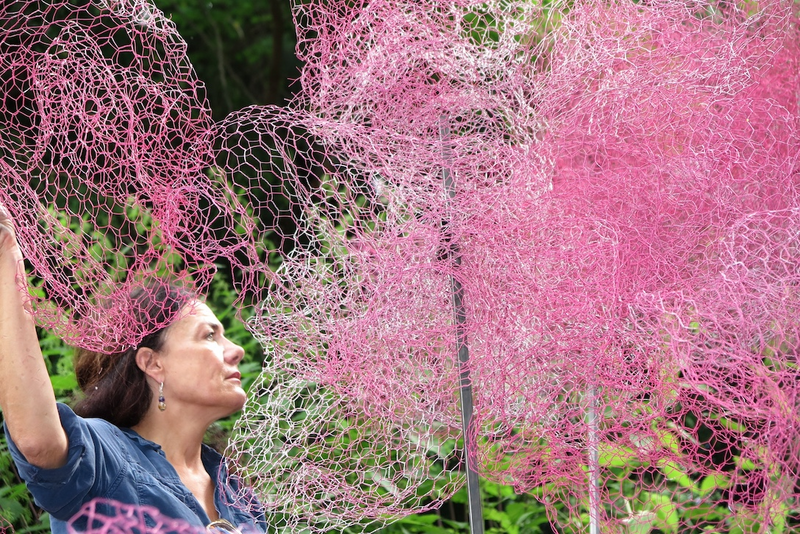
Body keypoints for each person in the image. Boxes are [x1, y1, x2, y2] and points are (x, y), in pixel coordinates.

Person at [0, 202, 266, 533]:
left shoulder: (238, 495)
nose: (237, 350)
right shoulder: (106, 462)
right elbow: (37, 440)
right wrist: (5, 249)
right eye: (210, 336)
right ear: (153, 363)